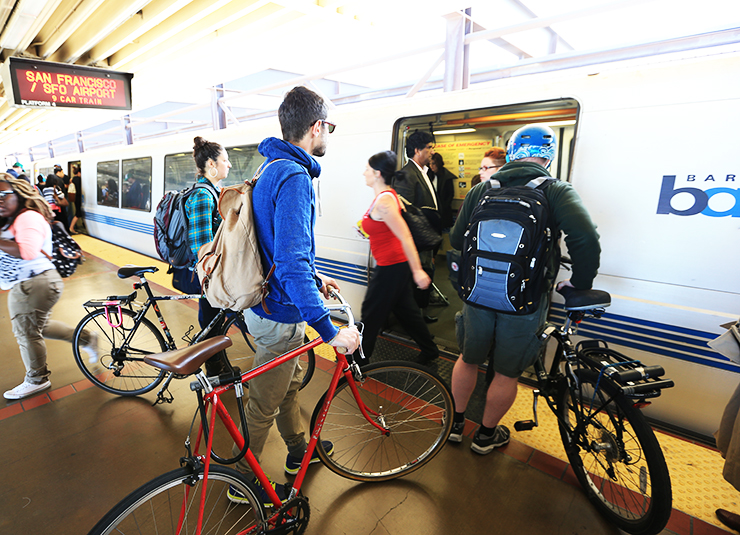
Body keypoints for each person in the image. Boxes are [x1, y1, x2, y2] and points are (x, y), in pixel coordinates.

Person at [228, 86, 360, 506]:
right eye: (329, 128)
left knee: (287, 386)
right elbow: (288, 261)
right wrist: (327, 329)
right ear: (316, 126)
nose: (328, 136)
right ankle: (238, 481)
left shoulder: (271, 167)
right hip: (278, 314)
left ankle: (300, 451)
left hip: (265, 304)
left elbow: (278, 247)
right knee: (264, 401)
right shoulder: (295, 177)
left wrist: (313, 277)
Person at [448, 124, 601, 454]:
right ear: (549, 157)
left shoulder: (482, 189)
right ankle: (486, 436)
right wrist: (580, 284)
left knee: (468, 358)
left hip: (477, 294)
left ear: (512, 151)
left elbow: (456, 239)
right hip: (525, 302)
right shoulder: (556, 190)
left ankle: (456, 425)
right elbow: (585, 238)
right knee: (506, 372)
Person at [0, 174, 98, 400]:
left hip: (33, 283)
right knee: (39, 328)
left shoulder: (28, 218)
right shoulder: (11, 219)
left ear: (19, 194)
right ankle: (86, 339)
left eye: (4, 194)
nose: (0, 200)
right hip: (33, 281)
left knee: (26, 333)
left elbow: (27, 251)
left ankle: (37, 379)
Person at [357, 150, 438, 365]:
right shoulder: (385, 197)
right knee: (407, 312)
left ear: (377, 173)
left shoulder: (385, 202)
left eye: (367, 169)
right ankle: (430, 350)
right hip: (393, 264)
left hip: (391, 266)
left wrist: (417, 270)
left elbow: (405, 237)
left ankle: (358, 361)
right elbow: (386, 231)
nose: (363, 172)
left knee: (371, 313)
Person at [183, 136, 234, 376]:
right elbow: (200, 245)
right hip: (207, 273)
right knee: (210, 321)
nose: (229, 164)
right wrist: (213, 271)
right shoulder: (203, 195)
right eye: (225, 160)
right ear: (212, 165)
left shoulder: (215, 191)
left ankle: (216, 361)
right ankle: (214, 368)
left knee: (215, 320)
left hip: (213, 271)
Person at [391, 130, 439, 323]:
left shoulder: (424, 172)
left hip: (425, 240)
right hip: (416, 242)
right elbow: (404, 214)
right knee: (415, 281)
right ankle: (412, 321)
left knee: (425, 278)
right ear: (417, 150)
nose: (432, 152)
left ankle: (419, 315)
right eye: (429, 148)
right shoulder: (405, 175)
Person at [429, 153, 456, 229]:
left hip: (444, 211)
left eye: (433, 163)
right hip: (432, 210)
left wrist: (443, 208)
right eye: (430, 163)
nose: (431, 166)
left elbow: (450, 195)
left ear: (438, 163)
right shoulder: (428, 174)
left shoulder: (446, 176)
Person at [67, 166, 85, 234]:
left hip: (75, 198)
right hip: (78, 198)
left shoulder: (73, 179)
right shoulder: (79, 179)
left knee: (78, 212)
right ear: (79, 172)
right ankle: (71, 227)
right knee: (78, 213)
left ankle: (72, 227)